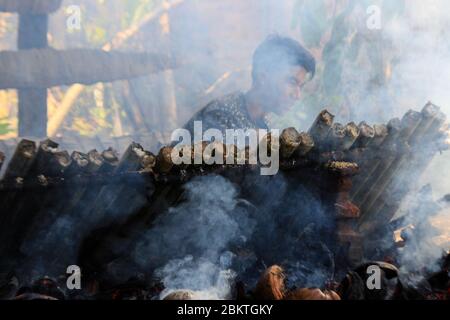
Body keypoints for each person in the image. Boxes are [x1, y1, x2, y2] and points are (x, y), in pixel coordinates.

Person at [183, 35, 316, 136]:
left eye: (301, 86)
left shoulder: (261, 124)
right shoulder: (221, 116)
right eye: (292, 82)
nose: (297, 95)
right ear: (263, 76)